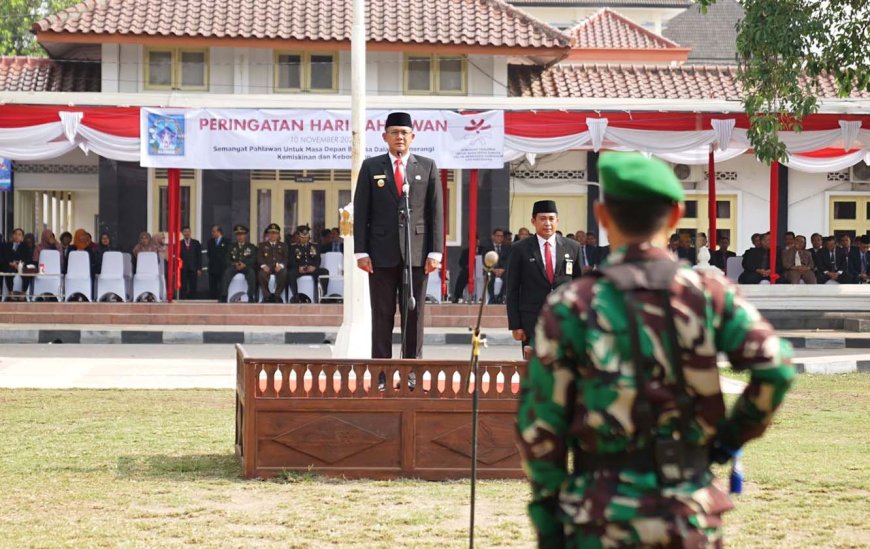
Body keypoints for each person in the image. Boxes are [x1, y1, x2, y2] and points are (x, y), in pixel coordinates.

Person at [517, 152, 794, 547]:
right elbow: (777, 367)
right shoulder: (708, 294)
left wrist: (548, 517)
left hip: (600, 515)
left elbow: (540, 424)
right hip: (686, 512)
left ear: (604, 216)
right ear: (677, 215)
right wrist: (728, 438)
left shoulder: (571, 305)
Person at [353, 111, 444, 359]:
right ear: (385, 137)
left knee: (414, 314)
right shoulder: (371, 167)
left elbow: (436, 212)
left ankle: (411, 369)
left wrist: (435, 252)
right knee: (381, 314)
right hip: (380, 254)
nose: (399, 137)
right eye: (394, 133)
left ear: (412, 137)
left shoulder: (426, 166)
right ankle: (381, 370)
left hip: (417, 254)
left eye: (404, 133)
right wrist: (361, 251)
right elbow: (361, 211)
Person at [506, 200, 582, 359]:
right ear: (533, 221)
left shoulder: (572, 247)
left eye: (551, 218)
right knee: (535, 368)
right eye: (542, 219)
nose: (547, 223)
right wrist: (515, 325)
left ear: (557, 220)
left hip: (564, 318)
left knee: (565, 365)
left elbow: (579, 286)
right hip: (531, 320)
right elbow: (512, 289)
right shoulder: (520, 249)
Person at [288, 224, 329, 303]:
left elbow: (318, 259)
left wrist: (314, 267)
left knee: (325, 271)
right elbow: (291, 261)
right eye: (303, 237)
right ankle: (296, 296)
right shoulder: (293, 247)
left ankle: (322, 296)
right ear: (298, 237)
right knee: (290, 274)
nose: (305, 239)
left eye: (306, 237)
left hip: (311, 269)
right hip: (299, 269)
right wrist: (298, 268)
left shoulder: (314, 246)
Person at [220, 224, 258, 303]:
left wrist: (245, 264)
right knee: (226, 273)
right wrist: (234, 264)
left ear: (245, 235)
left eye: (242, 234)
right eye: (238, 235)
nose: (240, 237)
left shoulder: (251, 247)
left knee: (251, 273)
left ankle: (250, 296)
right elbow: (227, 259)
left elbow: (253, 259)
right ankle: (224, 295)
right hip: (234, 266)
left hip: (246, 266)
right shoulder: (231, 246)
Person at [257, 223, 289, 303]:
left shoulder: (283, 245)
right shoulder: (262, 245)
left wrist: (281, 266)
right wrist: (263, 266)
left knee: (284, 273)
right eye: (271, 233)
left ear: (278, 234)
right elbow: (259, 257)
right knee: (261, 274)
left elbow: (286, 258)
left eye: (275, 233)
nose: (273, 235)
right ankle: (267, 296)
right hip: (267, 267)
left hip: (278, 268)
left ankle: (277, 295)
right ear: (268, 234)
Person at [2, 228, 33, 298]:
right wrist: (11, 263)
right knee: (8, 273)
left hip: (21, 265)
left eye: (19, 235)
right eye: (15, 234)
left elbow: (28, 258)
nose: (17, 236)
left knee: (27, 274)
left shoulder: (25, 246)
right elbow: (5, 256)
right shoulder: (7, 245)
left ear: (22, 237)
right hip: (10, 265)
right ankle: (10, 292)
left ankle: (23, 293)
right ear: (12, 235)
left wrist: (20, 263)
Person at [482, 228, 509, 304]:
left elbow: (509, 261)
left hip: (503, 270)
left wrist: (503, 269)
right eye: (498, 236)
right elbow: (484, 260)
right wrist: (493, 269)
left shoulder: (507, 248)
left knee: (508, 278)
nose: (500, 238)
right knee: (490, 278)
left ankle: (501, 297)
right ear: (493, 237)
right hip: (491, 269)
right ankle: (492, 298)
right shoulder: (487, 248)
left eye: (501, 236)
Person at [451, 238, 481, 303]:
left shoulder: (483, 250)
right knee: (462, 276)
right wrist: (467, 266)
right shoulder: (465, 251)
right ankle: (457, 296)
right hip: (469, 270)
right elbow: (461, 262)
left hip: (481, 270)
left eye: (476, 240)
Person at [179, 226, 202, 299]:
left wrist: (199, 268)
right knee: (183, 286)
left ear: (190, 232)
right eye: (185, 232)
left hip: (193, 268)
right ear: (182, 233)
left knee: (193, 285)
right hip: (183, 268)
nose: (187, 233)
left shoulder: (196, 243)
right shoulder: (180, 243)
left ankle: (193, 299)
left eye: (188, 231)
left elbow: (199, 256)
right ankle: (183, 299)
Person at [207, 225, 228, 300]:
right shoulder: (210, 241)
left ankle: (221, 298)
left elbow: (227, 254)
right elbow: (209, 254)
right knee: (212, 285)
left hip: (222, 267)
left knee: (222, 284)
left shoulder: (226, 241)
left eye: (214, 231)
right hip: (213, 266)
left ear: (219, 232)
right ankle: (213, 299)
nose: (212, 233)